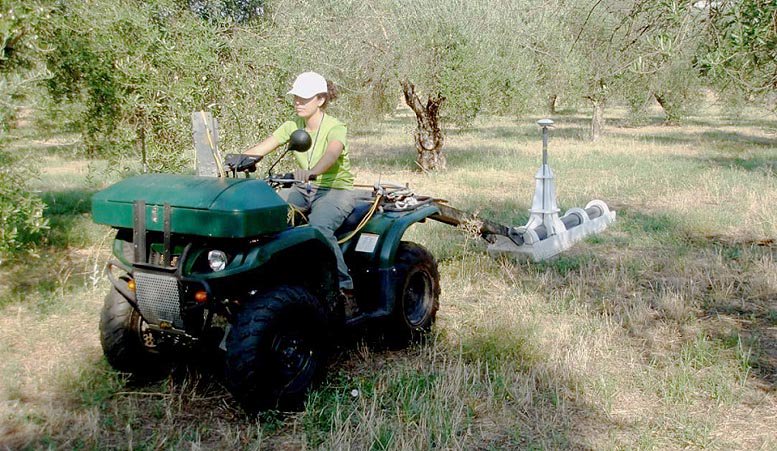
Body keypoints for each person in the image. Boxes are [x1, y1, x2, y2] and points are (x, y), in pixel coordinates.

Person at [242, 71, 356, 294]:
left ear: (320, 100)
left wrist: (313, 172)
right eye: (296, 97)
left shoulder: (335, 127)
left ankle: (343, 286)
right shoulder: (293, 125)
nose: (297, 102)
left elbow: (332, 154)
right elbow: (264, 147)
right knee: (271, 216)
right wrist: (237, 160)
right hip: (303, 187)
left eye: (304, 98)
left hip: (335, 189)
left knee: (319, 227)